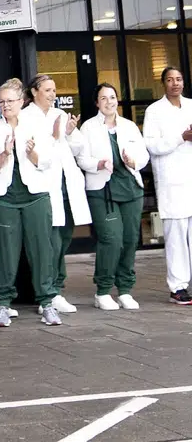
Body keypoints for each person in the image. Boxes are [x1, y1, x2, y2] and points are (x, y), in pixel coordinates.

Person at [0, 78, 62, 327]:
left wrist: (32, 154)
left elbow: (48, 160)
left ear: (22, 101)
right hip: (5, 198)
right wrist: (5, 153)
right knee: (6, 252)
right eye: (2, 101)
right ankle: (3, 305)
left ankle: (47, 303)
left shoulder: (36, 125)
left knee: (41, 251)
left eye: (10, 101)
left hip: (35, 196)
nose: (5, 105)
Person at [75, 83, 148, 311]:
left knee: (129, 239)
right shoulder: (88, 127)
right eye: (104, 98)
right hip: (102, 190)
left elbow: (143, 155)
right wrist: (99, 163)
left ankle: (125, 289)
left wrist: (133, 161)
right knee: (111, 239)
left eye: (113, 97)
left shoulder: (128, 126)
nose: (109, 102)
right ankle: (103, 290)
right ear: (97, 103)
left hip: (130, 188)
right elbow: (82, 159)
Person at [23, 75, 90, 314]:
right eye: (47, 90)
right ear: (34, 92)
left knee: (63, 239)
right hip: (43, 186)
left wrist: (70, 132)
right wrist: (53, 138)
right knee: (49, 242)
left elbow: (78, 148)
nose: (52, 94)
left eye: (54, 90)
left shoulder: (60, 116)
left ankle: (57, 288)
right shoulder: (25, 118)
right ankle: (48, 293)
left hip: (65, 186)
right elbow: (32, 155)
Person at [141, 66, 192, 305]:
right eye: (170, 80)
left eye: (179, 79)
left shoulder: (191, 105)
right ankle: (178, 287)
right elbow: (152, 146)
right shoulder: (154, 111)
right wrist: (181, 137)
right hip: (172, 182)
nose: (175, 83)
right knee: (176, 238)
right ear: (163, 84)